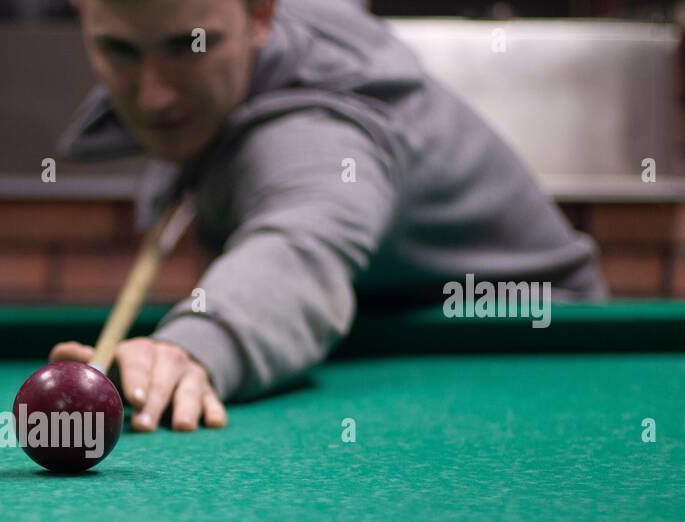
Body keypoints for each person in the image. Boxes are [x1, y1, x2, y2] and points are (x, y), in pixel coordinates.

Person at [50, 0, 607, 432]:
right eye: (120, 51)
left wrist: (194, 345)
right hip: (391, 329)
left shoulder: (312, 135)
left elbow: (303, 242)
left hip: (533, 341)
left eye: (188, 47)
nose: (154, 98)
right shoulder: (274, 26)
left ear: (261, 14)